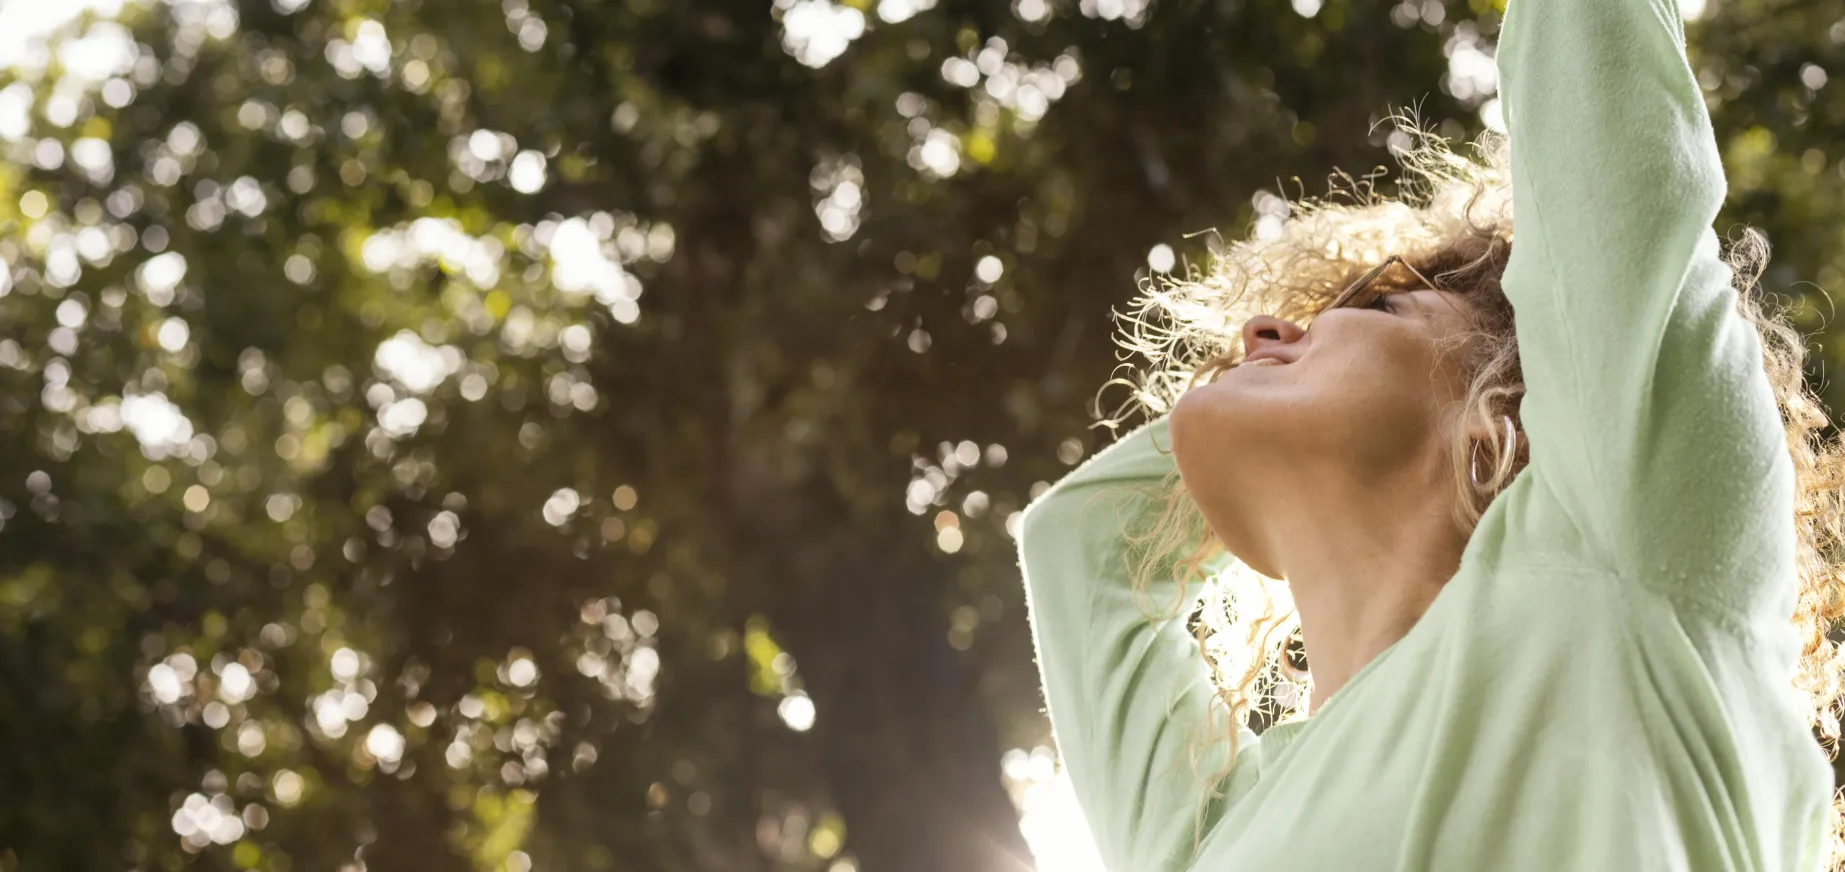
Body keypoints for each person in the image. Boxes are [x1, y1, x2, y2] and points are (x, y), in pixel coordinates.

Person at [1016, 0, 1845, 869]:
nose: (1263, 329)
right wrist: (1245, 419)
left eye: (1374, 305)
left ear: (1514, 398)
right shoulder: (1210, 834)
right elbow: (1077, 543)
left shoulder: (1620, 553)